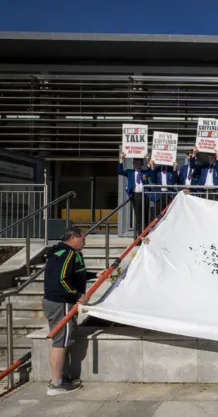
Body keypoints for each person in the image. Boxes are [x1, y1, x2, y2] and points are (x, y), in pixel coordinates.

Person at [42, 227, 105, 396]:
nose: (84, 243)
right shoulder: (68, 254)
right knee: (60, 341)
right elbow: (61, 280)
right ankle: (55, 384)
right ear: (73, 238)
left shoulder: (61, 251)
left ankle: (60, 378)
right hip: (61, 302)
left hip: (56, 301)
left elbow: (73, 274)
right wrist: (78, 295)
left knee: (62, 340)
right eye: (83, 240)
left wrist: (94, 275)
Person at [118, 152, 153, 238]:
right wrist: (121, 159)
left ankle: (146, 233)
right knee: (138, 216)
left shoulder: (145, 172)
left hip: (145, 195)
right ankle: (140, 235)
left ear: (142, 164)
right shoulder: (130, 172)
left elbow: (152, 173)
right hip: (135, 195)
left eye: (139, 163)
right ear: (133, 164)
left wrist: (148, 161)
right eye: (135, 163)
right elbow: (120, 171)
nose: (137, 165)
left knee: (146, 215)